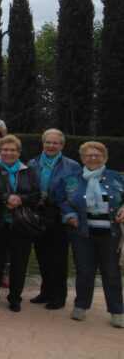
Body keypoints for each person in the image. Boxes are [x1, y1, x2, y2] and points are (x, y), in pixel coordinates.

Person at [57, 141, 124, 328]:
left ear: (104, 157)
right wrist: (70, 216)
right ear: (83, 158)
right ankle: (81, 306)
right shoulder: (72, 179)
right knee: (84, 271)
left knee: (111, 273)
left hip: (110, 234)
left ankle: (117, 310)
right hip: (82, 233)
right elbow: (61, 199)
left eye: (97, 155)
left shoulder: (116, 178)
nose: (93, 158)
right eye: (89, 155)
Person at [0, 135, 41, 311]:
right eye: (5, 149)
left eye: (12, 150)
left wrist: (19, 198)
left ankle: (15, 297)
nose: (9, 153)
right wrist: (4, 197)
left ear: (18, 152)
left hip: (21, 224)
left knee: (19, 262)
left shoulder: (29, 171)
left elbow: (37, 195)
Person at [27, 128, 80, 309]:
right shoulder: (32, 163)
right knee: (42, 256)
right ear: (43, 143)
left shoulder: (72, 166)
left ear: (61, 145)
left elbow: (75, 192)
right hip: (38, 215)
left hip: (59, 215)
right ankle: (46, 291)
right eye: (48, 142)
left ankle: (59, 296)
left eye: (55, 142)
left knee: (58, 258)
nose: (51, 145)